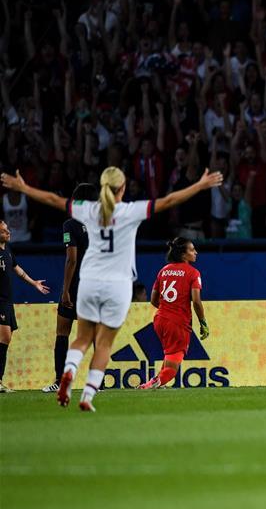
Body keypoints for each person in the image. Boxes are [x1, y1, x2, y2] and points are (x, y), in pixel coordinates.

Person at [0, 166, 222, 411]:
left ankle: (66, 376)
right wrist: (201, 185)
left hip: (88, 281)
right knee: (103, 343)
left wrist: (23, 188)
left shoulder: (87, 212)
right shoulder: (130, 210)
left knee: (81, 338)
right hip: (117, 285)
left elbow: (53, 200)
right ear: (123, 189)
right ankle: (88, 394)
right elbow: (169, 200)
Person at [43, 184, 96, 394]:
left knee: (62, 333)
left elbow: (71, 259)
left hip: (75, 287)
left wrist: (65, 290)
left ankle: (60, 380)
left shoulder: (70, 225)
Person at [139, 237, 209, 389]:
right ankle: (150, 385)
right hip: (177, 322)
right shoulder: (193, 273)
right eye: (192, 250)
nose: (195, 252)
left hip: (160, 319)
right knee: (173, 367)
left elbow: (153, 299)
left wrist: (167, 309)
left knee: (169, 355)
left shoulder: (163, 271)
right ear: (183, 255)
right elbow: (196, 301)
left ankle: (156, 382)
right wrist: (202, 322)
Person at [0, 220, 51, 392]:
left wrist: (34, 283)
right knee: (4, 338)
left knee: (7, 338)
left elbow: (17, 269)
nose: (9, 233)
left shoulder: (7, 250)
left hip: (8, 301)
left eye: (7, 230)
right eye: (4, 231)